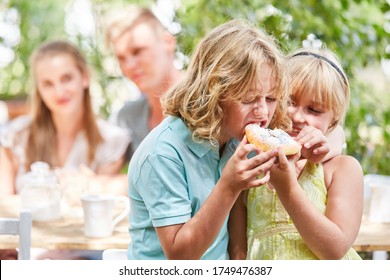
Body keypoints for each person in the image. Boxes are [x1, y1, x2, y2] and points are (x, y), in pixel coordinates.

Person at [126, 18, 292, 260]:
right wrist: (229, 186)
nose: (263, 112)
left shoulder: (238, 136)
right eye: (248, 98)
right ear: (214, 92)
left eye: (271, 98)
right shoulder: (162, 153)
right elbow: (180, 257)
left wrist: (328, 140)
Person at [228, 47, 363, 260]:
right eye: (288, 101)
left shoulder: (343, 168)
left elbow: (335, 250)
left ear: (333, 121)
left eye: (314, 110)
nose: (297, 116)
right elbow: (238, 251)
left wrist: (287, 188)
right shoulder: (248, 166)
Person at [0, 40, 131, 259]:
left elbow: (102, 211)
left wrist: (93, 185)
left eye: (66, 78)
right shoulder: (14, 137)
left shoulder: (111, 140)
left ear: (85, 78)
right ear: (39, 90)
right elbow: (2, 205)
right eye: (48, 84)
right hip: (21, 252)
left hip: (81, 255)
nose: (59, 91)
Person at [106, 6, 184, 156]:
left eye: (137, 51)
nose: (128, 66)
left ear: (168, 42)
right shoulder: (126, 119)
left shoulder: (210, 103)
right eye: (121, 58)